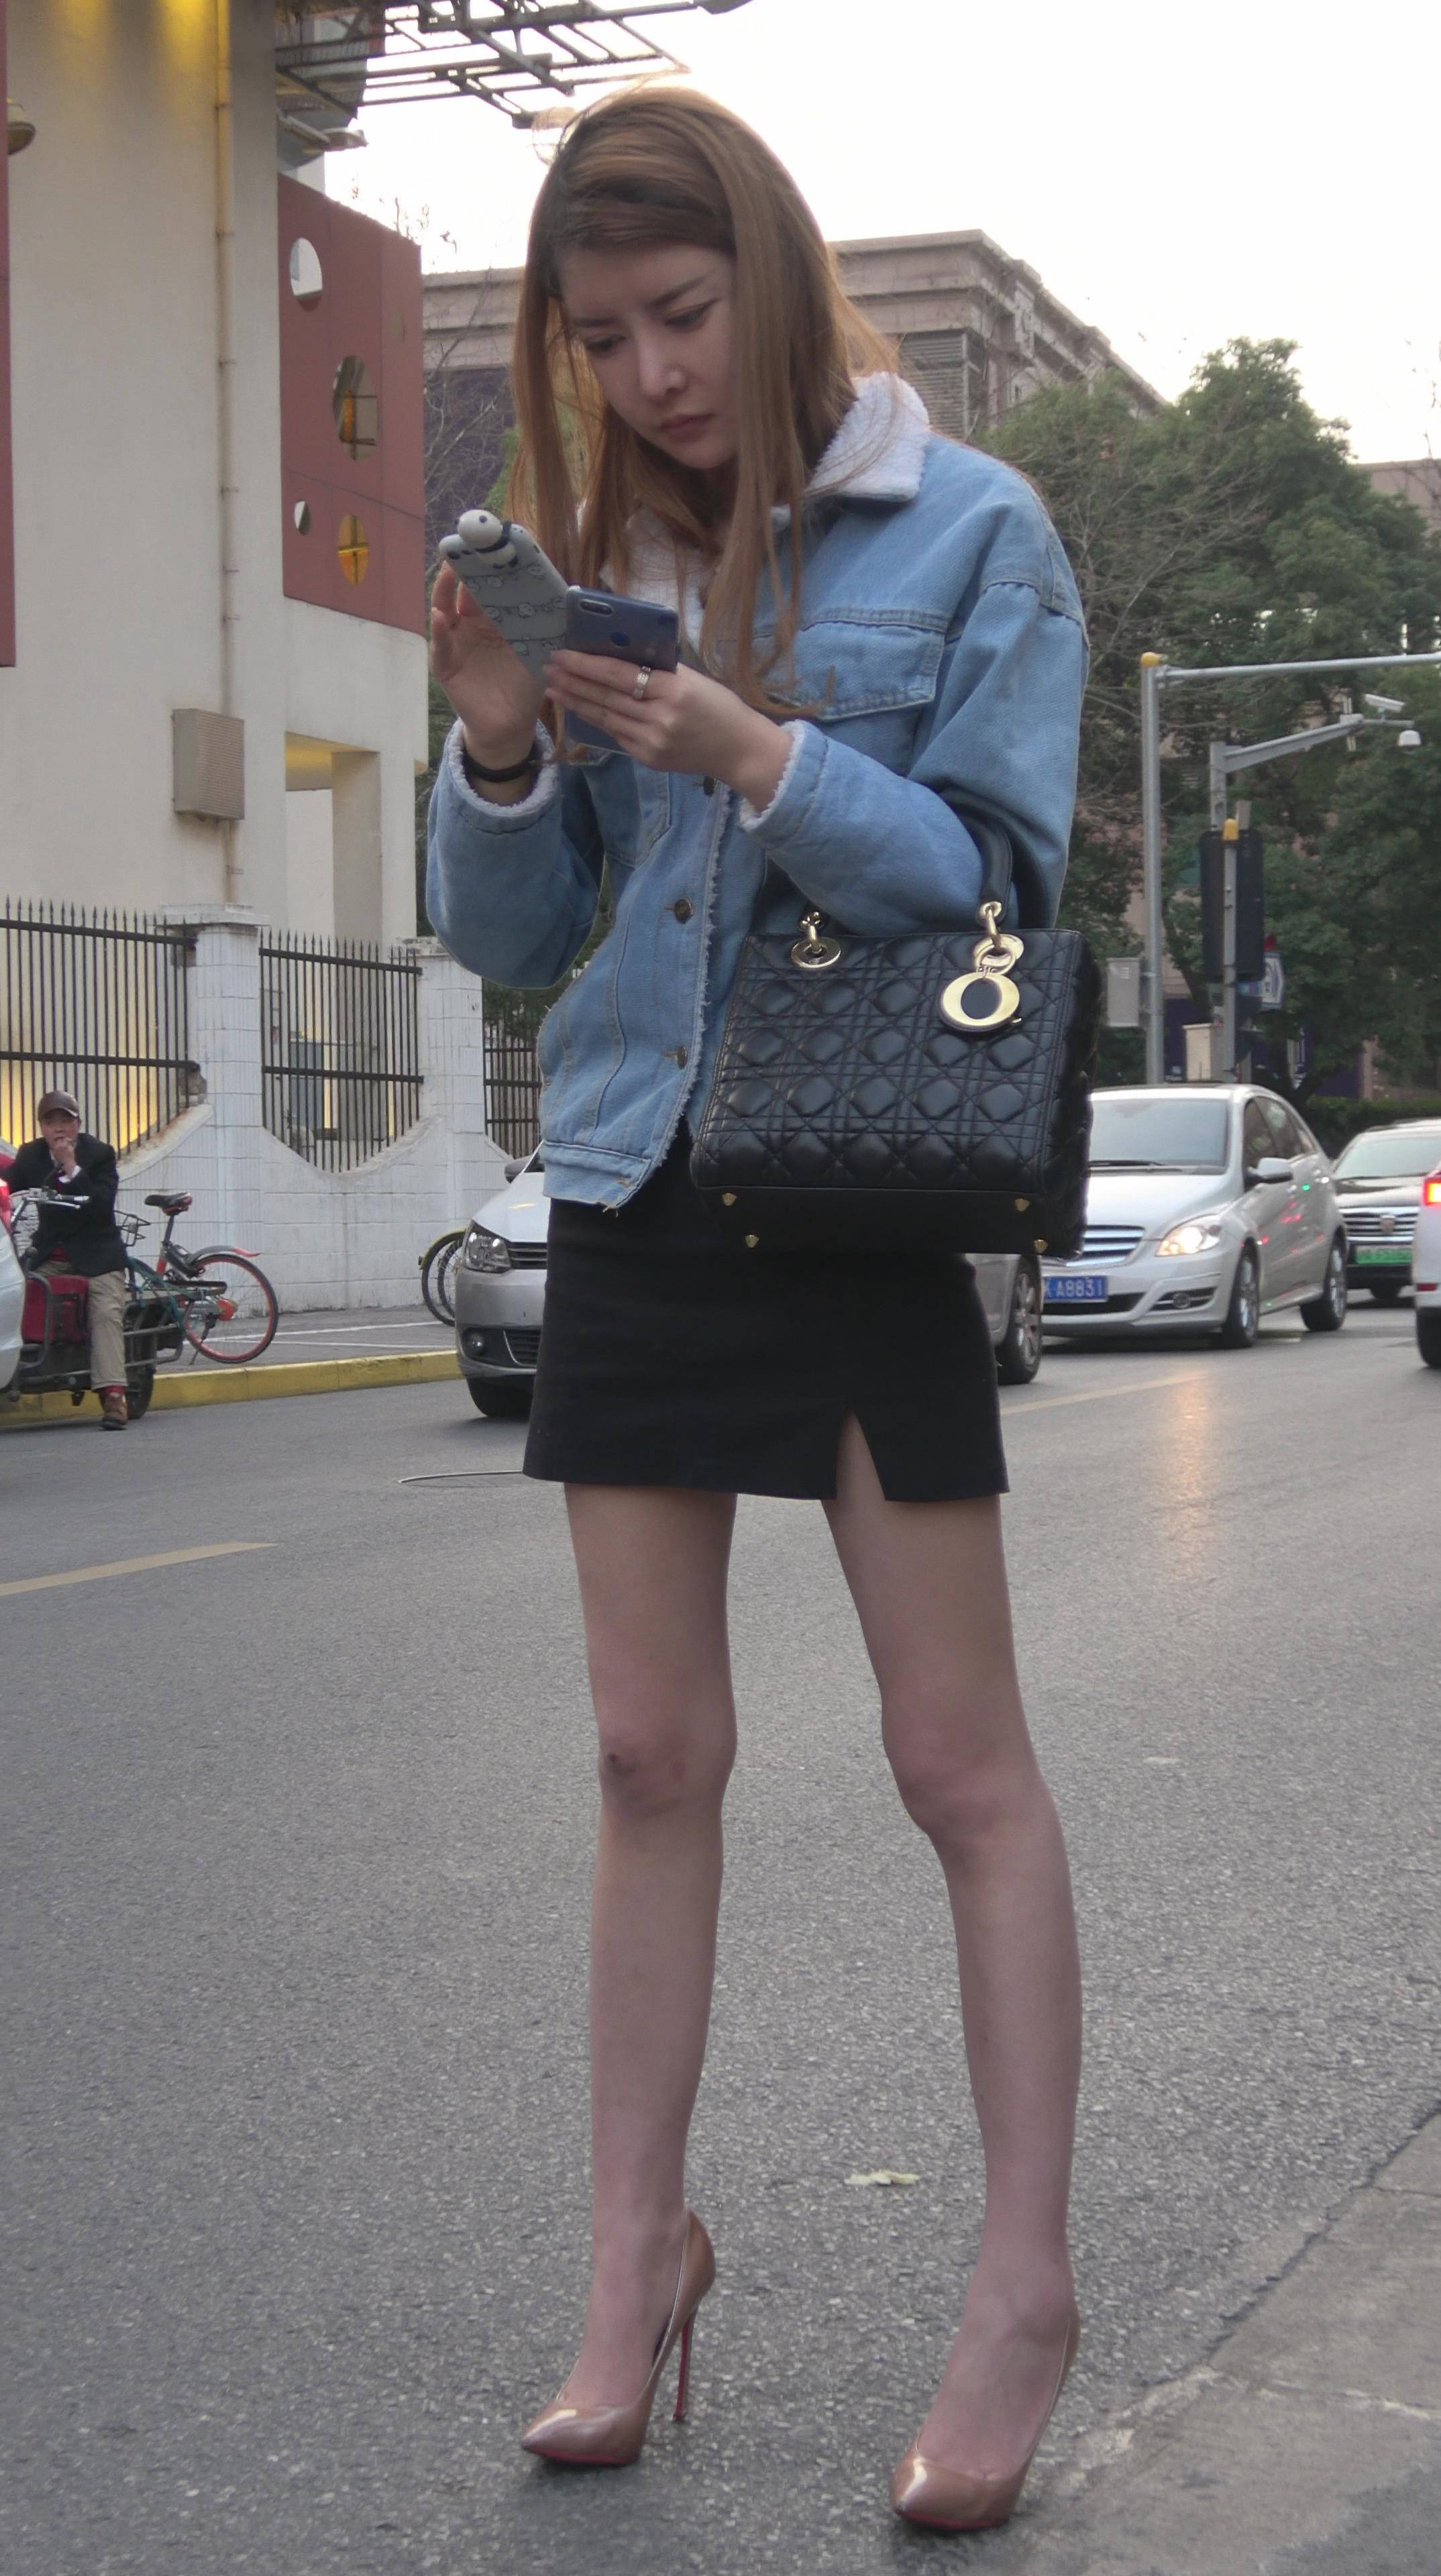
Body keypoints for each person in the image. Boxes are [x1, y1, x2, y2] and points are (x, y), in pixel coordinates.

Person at [427, 90, 1088, 2533]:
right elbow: (520, 941)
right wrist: (503, 737)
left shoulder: (975, 531)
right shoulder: (599, 550)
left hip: (867, 1193)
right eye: (602, 340)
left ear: (778, 282)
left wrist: (758, 752)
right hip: (635, 1178)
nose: (653, 375)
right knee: (643, 1752)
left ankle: (1019, 2284)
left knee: (954, 1759)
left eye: (683, 317)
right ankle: (634, 2262)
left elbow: (998, 891)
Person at [7, 1089, 130, 1427]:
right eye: (51, 1123)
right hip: (49, 1253)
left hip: (97, 1255)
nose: (59, 1129)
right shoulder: (30, 1155)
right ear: (42, 1128)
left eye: (66, 1121)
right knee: (11, 1294)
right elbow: (9, 1186)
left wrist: (72, 1167)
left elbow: (101, 1204)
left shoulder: (99, 1154)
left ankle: (114, 1396)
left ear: (78, 1124)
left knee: (105, 1312)